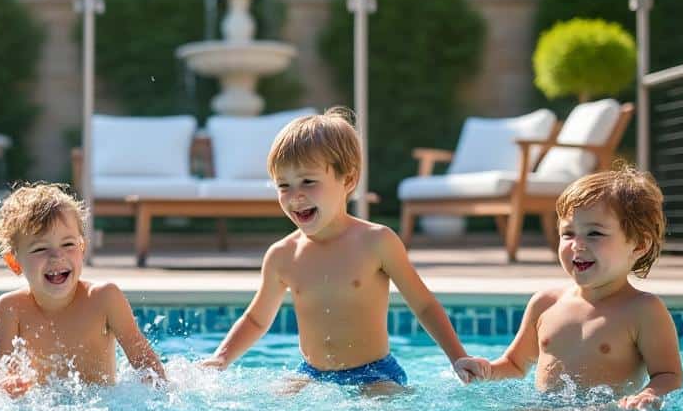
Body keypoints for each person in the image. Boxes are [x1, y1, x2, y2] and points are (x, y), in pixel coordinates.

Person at [201, 108, 477, 393]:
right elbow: (256, 319)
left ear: (348, 180)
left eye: (308, 181)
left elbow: (424, 305)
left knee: (381, 399)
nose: (295, 195)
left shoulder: (376, 242)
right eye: (284, 186)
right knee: (277, 397)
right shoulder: (282, 255)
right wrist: (220, 358)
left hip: (374, 374)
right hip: (312, 373)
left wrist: (458, 357)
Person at [455, 166, 683, 410]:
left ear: (638, 245)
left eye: (594, 233)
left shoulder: (643, 310)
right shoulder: (545, 303)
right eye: (568, 233)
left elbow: (669, 375)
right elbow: (515, 365)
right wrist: (486, 370)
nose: (577, 244)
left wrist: (648, 395)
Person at [0, 183, 166, 397]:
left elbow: (144, 360)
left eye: (68, 244)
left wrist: (160, 391)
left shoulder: (104, 298)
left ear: (82, 248)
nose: (57, 256)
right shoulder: (11, 308)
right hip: (43, 408)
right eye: (40, 248)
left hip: (102, 406)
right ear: (14, 262)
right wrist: (6, 385)